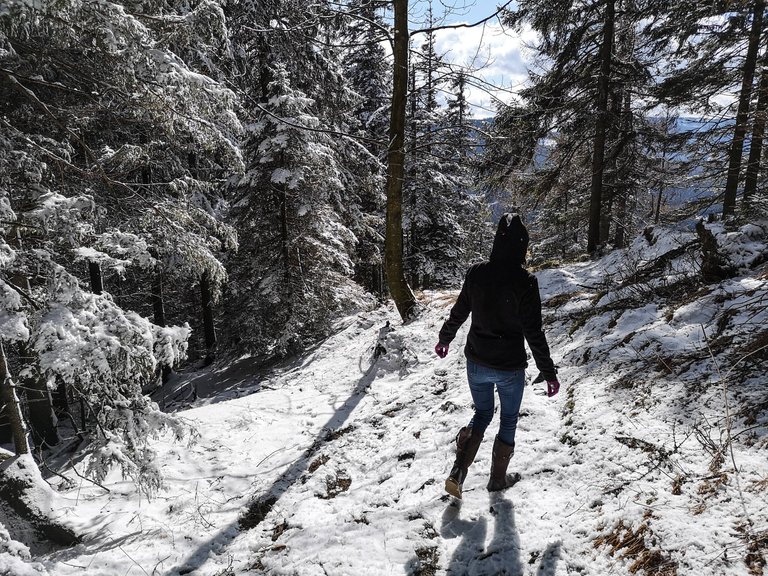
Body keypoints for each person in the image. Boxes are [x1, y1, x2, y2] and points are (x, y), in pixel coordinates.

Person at [434, 213, 560, 498]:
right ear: (521, 246)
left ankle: (458, 472)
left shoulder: (477, 272)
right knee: (508, 419)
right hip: (508, 367)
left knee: (482, 413)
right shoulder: (525, 281)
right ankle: (497, 481)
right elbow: (533, 331)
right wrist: (549, 373)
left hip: (477, 361)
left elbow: (460, 310)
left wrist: (445, 338)